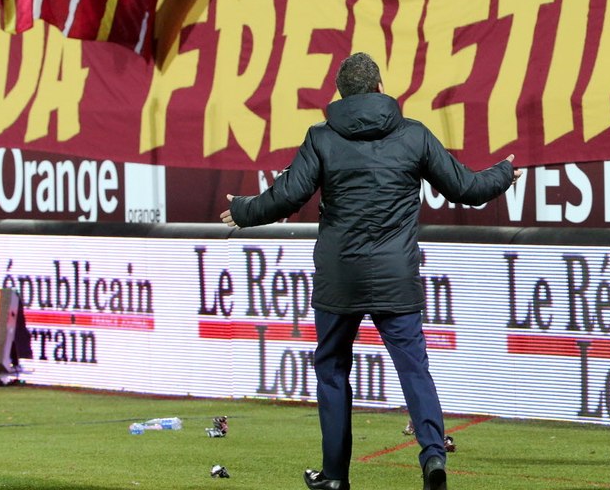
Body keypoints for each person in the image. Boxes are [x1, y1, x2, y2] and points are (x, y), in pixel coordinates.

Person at [220, 52, 521, 490]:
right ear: (380, 87)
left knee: (333, 370)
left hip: (339, 279)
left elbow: (287, 196)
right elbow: (466, 188)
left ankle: (336, 476)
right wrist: (504, 173)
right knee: (414, 367)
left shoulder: (321, 138)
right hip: (395, 276)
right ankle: (434, 455)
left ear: (340, 94)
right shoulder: (413, 136)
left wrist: (243, 211)